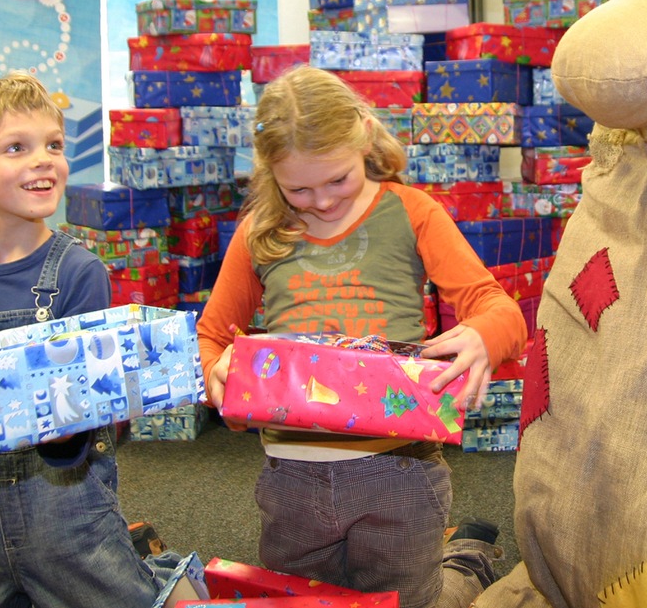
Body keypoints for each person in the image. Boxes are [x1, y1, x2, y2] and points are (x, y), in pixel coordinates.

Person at [197, 66, 527, 608]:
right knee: (306, 600)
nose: (322, 201)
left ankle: (465, 564)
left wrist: (482, 338)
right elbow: (211, 333)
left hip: (401, 470)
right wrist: (217, 375)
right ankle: (459, 564)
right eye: (298, 188)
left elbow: (499, 309)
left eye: (338, 180)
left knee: (408, 600)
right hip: (290, 477)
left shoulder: (411, 211)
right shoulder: (261, 230)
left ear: (366, 136)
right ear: (270, 172)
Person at [0, 71, 175, 608]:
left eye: (54, 145)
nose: (44, 159)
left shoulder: (79, 270)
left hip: (64, 528)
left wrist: (62, 435)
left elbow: (90, 402)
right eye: (17, 148)